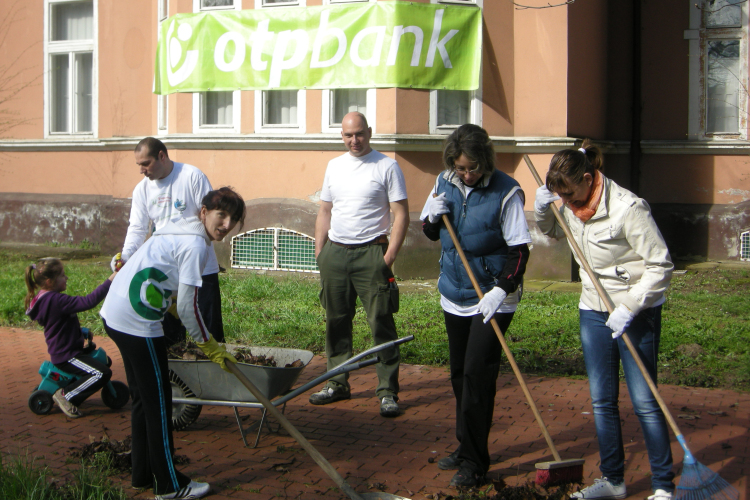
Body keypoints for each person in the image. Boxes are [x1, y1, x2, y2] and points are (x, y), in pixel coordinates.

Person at [534, 140, 674, 500]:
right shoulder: (567, 200)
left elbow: (660, 264)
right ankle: (614, 481)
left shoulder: (628, 208)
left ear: (587, 178)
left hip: (634, 312)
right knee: (601, 400)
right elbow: (552, 231)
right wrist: (542, 210)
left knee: (644, 401)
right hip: (593, 309)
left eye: (572, 195)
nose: (569, 203)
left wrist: (630, 306)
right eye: (561, 197)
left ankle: (662, 486)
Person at [100, 187, 246, 500]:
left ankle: (141, 473)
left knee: (143, 399)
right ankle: (168, 486)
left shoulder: (178, 225)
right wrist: (210, 346)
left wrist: (166, 304)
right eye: (222, 215)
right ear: (204, 211)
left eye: (233, 219)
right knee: (160, 405)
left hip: (115, 312)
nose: (226, 224)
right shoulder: (196, 244)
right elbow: (188, 308)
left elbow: (160, 274)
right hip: (137, 323)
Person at [420, 124, 531, 488]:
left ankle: (474, 462)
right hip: (455, 292)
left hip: (492, 297)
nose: (466, 175)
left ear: (486, 160)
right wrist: (432, 217)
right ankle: (465, 443)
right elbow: (432, 231)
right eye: (460, 168)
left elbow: (519, 250)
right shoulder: (445, 180)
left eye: (472, 168)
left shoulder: (506, 192)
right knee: (457, 375)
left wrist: (502, 290)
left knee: (477, 377)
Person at [309, 111, 410, 418]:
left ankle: (387, 391)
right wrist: (320, 252)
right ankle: (337, 383)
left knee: (381, 321)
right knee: (336, 321)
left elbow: (401, 214)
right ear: (342, 136)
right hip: (335, 254)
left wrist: (388, 257)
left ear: (369, 132)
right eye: (348, 135)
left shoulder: (387, 166)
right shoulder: (334, 166)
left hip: (371, 253)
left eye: (359, 134)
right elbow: (325, 210)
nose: (354, 141)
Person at [113, 137, 225, 344]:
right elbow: (137, 228)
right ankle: (176, 375)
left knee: (209, 329)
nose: (141, 170)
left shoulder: (191, 176)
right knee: (171, 336)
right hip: (165, 273)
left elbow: (209, 216)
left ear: (162, 156)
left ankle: (213, 372)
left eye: (145, 163)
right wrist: (126, 256)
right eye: (139, 165)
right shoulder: (142, 190)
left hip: (200, 268)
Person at [25, 258, 116, 419]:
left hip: (65, 350)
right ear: (49, 281)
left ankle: (71, 390)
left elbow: (56, 323)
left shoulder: (45, 298)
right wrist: (111, 279)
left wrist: (79, 331)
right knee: (101, 373)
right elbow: (89, 301)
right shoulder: (56, 300)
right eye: (62, 275)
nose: (66, 278)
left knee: (103, 363)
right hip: (68, 355)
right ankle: (66, 395)